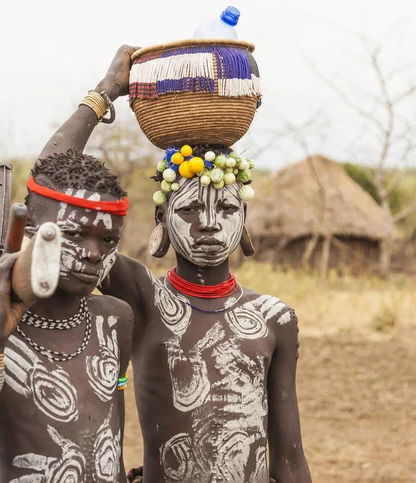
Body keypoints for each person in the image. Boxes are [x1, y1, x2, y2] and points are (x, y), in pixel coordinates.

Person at [39, 45, 312, 483]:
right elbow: (49, 197)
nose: (208, 224)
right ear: (161, 220)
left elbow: (289, 459)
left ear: (245, 221)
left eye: (225, 210)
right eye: (188, 211)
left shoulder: (274, 319)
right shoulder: (143, 298)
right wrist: (105, 92)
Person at [0, 151, 134, 482]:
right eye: (73, 234)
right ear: (30, 230)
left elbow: (110, 440)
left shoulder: (114, 320)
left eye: (108, 240)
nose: (94, 253)